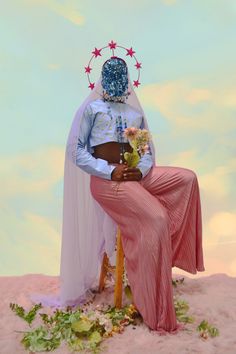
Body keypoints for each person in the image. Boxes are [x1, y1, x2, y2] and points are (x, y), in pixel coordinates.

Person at [30, 54, 205, 336]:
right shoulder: (92, 109)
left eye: (120, 75)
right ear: (102, 77)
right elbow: (76, 151)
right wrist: (109, 171)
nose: (116, 80)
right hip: (107, 181)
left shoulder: (135, 114)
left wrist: (140, 169)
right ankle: (154, 307)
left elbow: (145, 152)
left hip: (133, 175)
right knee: (157, 218)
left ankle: (170, 255)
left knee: (187, 179)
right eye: (111, 75)